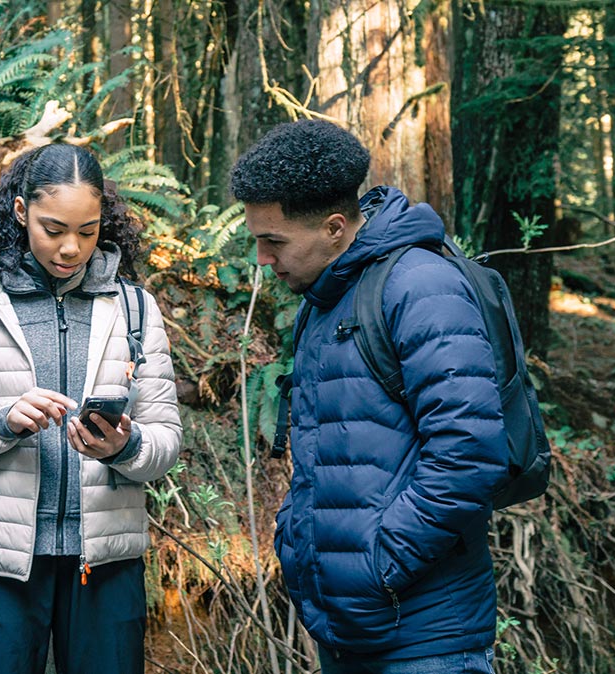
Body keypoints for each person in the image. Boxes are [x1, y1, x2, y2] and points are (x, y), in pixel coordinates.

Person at [230, 120, 509, 673]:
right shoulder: (328, 295)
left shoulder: (420, 287)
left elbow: (470, 451)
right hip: (350, 626)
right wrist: (301, 542)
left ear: (335, 227)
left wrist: (378, 564)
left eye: (274, 241)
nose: (262, 258)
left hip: (426, 640)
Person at [0, 143, 182, 674]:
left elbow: (166, 440)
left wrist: (125, 446)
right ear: (20, 212)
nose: (70, 249)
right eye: (53, 229)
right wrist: (0, 421)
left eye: (88, 231)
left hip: (105, 562)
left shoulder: (133, 307)